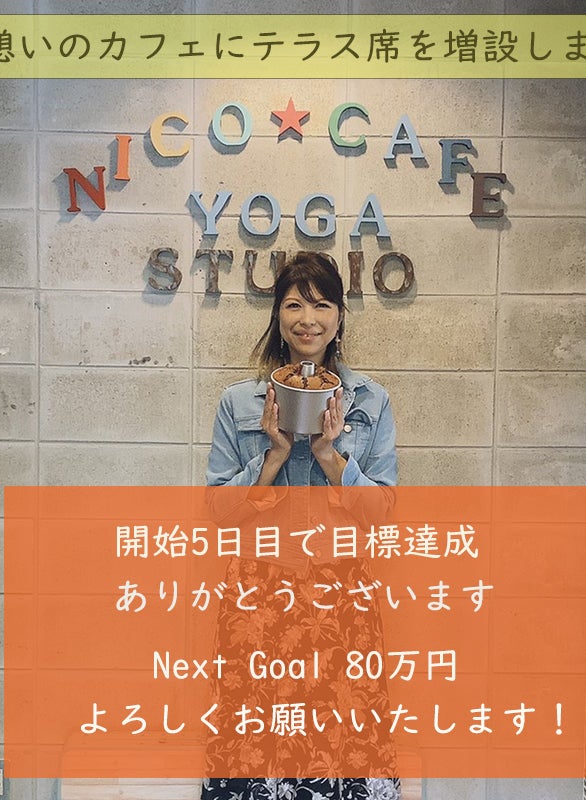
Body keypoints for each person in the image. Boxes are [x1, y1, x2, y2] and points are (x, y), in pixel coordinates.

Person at [201, 252, 401, 800]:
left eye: (321, 305)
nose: (307, 319)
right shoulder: (239, 402)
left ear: (339, 316)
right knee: (254, 748)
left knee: (342, 748)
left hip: (343, 592)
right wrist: (272, 457)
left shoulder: (370, 401)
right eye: (294, 305)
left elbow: (381, 511)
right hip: (258, 592)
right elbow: (218, 511)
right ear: (278, 315)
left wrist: (331, 456)